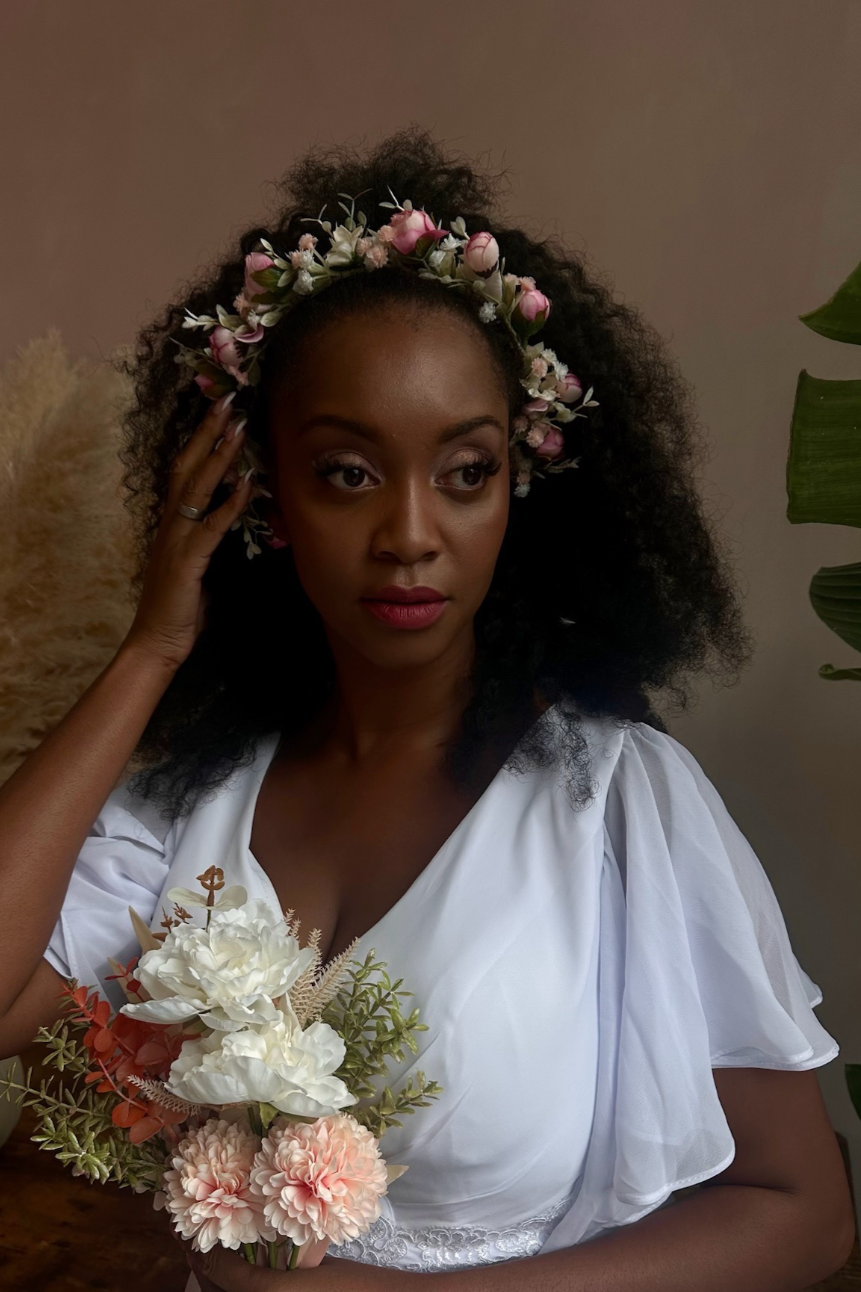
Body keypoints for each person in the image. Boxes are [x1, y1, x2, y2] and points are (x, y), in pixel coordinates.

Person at [0, 127, 854, 1291]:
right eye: (349, 471)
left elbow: (800, 1211)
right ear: (264, 498)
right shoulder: (182, 805)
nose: (411, 535)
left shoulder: (616, 803)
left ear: (522, 488)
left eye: (466, 471)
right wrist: (150, 648)